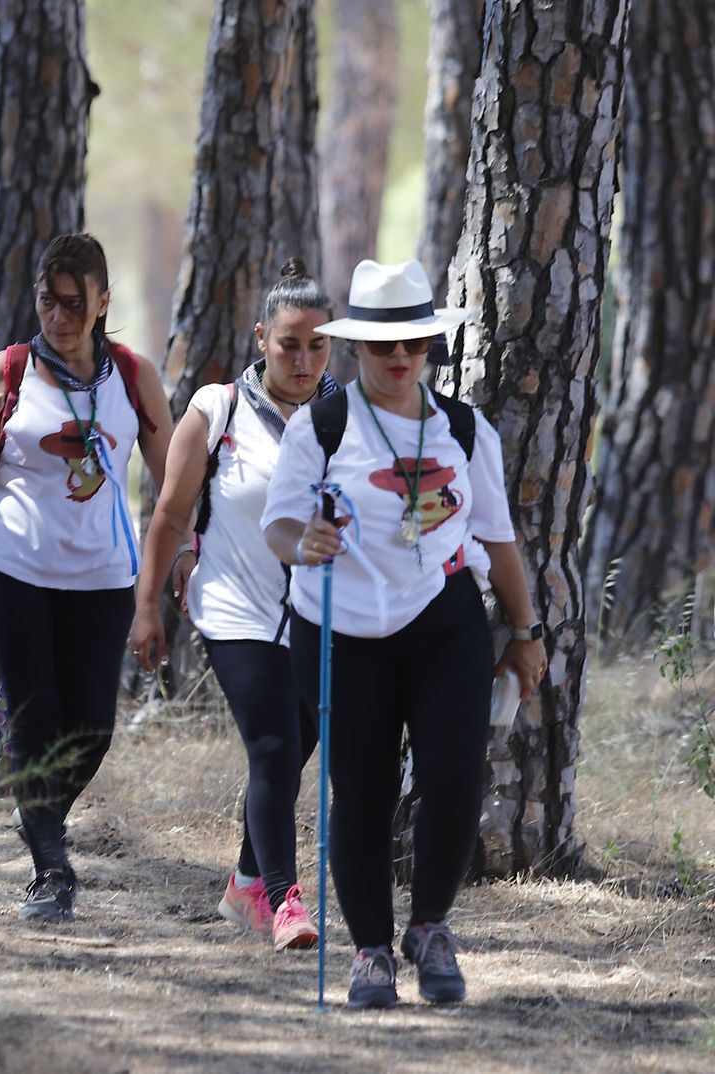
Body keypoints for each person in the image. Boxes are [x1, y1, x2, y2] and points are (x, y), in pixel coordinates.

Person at [261, 259, 546, 1008]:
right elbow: (279, 525)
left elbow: (498, 535)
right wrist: (306, 541)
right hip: (339, 627)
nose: (399, 358)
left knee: (455, 773)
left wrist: (527, 628)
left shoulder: (462, 428)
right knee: (362, 788)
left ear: (429, 349)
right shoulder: (322, 425)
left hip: (441, 613)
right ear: (356, 348)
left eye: (414, 345)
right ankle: (371, 953)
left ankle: (430, 929)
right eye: (384, 346)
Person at [0, 233, 171, 923]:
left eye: (75, 303)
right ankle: (52, 869)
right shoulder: (8, 371)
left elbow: (172, 486)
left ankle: (36, 815)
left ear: (103, 302)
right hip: (10, 571)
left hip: (103, 579)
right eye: (48, 301)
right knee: (38, 717)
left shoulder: (134, 377)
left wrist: (176, 564)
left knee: (92, 730)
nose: (60, 317)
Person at [130, 259, 340, 952]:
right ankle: (284, 902)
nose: (304, 358)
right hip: (232, 607)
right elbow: (168, 515)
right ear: (260, 338)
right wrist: (148, 607)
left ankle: (247, 879)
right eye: (289, 343)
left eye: (317, 344)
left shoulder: (346, 415)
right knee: (275, 750)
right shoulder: (215, 410)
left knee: (298, 743)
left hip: (317, 616)